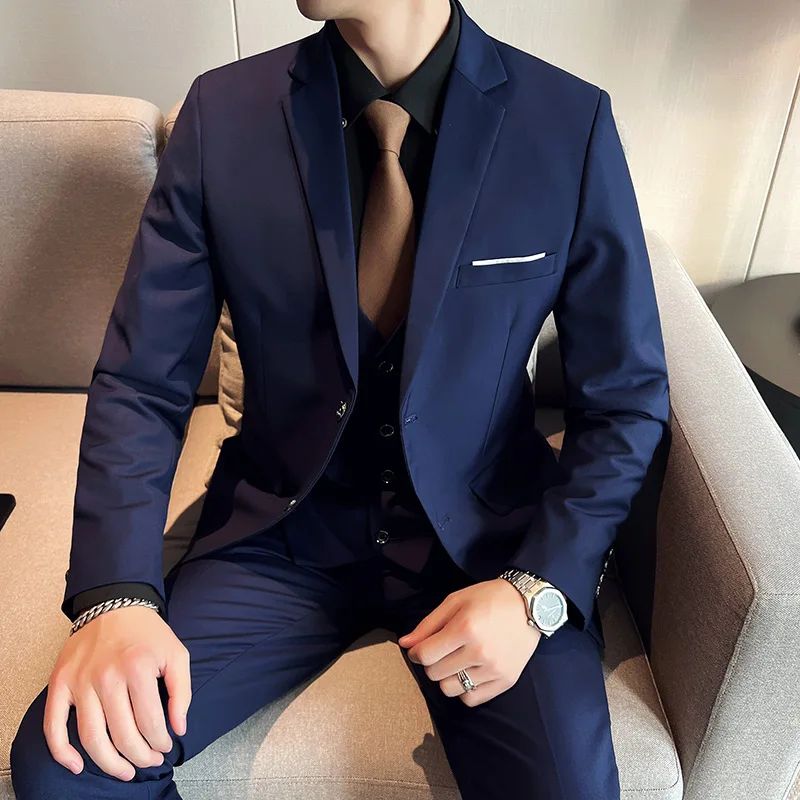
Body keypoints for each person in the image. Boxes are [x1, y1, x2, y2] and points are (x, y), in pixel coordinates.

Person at [10, 0, 670, 797]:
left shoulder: (567, 123)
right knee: (66, 766)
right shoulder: (226, 115)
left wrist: (538, 588)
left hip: (489, 546)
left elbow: (625, 397)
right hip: (281, 538)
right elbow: (142, 381)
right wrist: (114, 594)